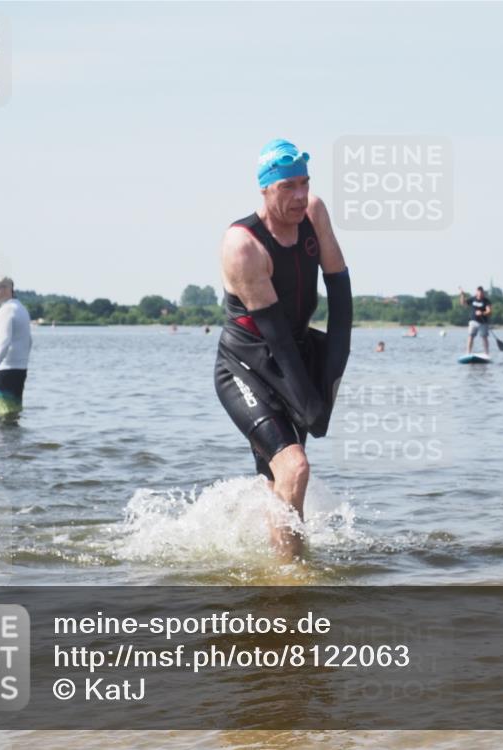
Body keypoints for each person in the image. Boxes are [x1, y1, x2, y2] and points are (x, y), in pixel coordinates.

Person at [214, 139, 352, 562]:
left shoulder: (314, 213)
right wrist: (309, 403)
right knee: (296, 467)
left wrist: (327, 386)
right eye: (288, 186)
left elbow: (341, 299)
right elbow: (274, 337)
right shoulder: (244, 246)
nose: (299, 196)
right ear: (265, 189)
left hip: (297, 351)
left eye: (304, 184)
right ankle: (294, 575)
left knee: (281, 480)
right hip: (247, 365)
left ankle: (279, 568)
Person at [0, 276, 32, 421]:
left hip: (4, 371)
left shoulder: (6, 310)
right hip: (20, 369)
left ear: (7, 289)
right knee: (13, 414)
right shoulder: (21, 308)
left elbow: (3, 342)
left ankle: (4, 444)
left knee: (4, 416)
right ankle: (16, 444)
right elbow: (29, 341)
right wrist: (22, 362)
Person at [459, 285, 491, 355]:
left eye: (481, 293)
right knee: (470, 336)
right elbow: (463, 303)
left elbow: (489, 311)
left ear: (483, 293)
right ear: (476, 292)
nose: (480, 294)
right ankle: (468, 353)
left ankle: (486, 353)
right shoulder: (472, 299)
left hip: (483, 322)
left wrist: (482, 313)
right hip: (473, 321)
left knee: (484, 337)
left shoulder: (486, 301)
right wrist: (462, 295)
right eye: (479, 292)